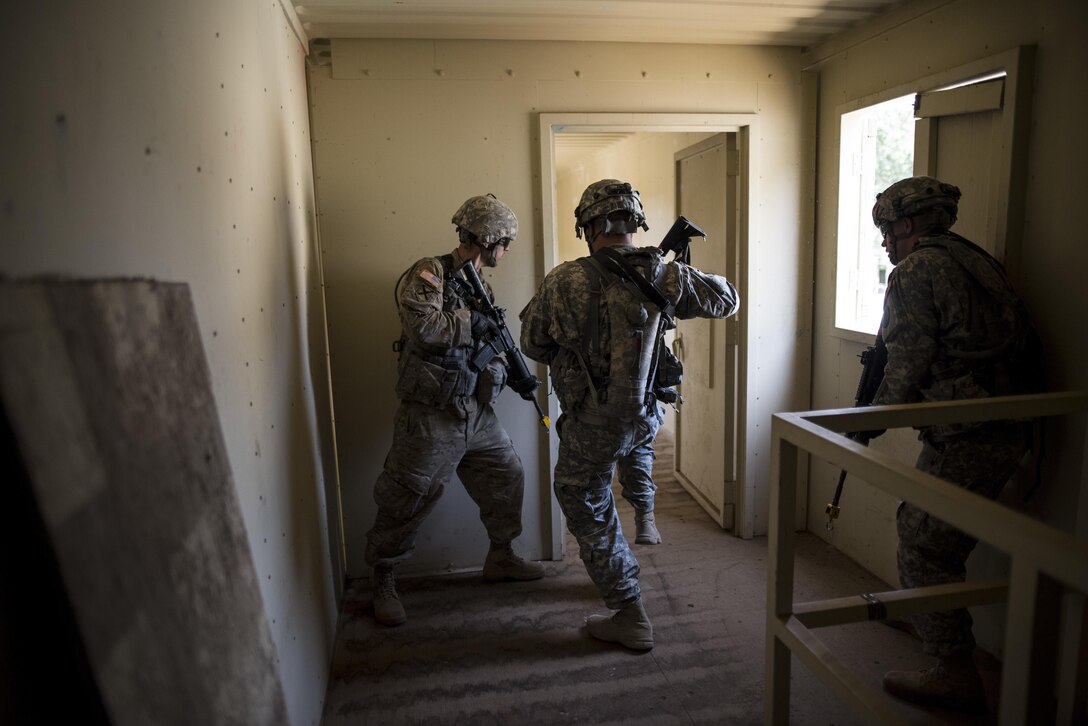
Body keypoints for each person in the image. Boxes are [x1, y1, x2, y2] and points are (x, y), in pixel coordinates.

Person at [519, 179, 739, 650]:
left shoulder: (565, 279)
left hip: (591, 425)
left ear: (590, 226)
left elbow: (532, 343)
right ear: (634, 223)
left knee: (585, 500)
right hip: (643, 419)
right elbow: (728, 299)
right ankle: (622, 562)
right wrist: (677, 274)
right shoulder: (663, 273)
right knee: (608, 490)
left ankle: (628, 610)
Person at [869, 176, 1042, 712]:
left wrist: (866, 421)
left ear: (905, 223)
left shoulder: (916, 269)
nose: (884, 244)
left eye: (886, 231)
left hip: (969, 431)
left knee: (924, 542)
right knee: (922, 527)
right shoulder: (973, 258)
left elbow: (907, 360)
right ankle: (929, 614)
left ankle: (952, 670)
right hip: (995, 423)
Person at [366, 193, 545, 627]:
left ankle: (501, 556)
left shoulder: (481, 286)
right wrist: (472, 322)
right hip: (430, 414)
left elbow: (486, 343)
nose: (507, 251)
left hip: (475, 412)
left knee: (507, 475)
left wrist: (504, 369)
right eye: (505, 243)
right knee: (408, 495)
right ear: (489, 239)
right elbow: (423, 327)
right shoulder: (430, 273)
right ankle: (383, 575)